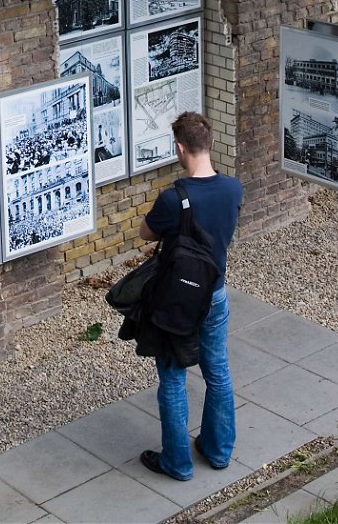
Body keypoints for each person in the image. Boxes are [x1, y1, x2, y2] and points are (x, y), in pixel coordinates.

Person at [138, 112, 243, 481]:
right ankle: (217, 451)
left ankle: (178, 462)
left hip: (178, 301)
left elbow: (145, 234)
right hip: (214, 295)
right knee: (218, 372)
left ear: (180, 148)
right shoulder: (234, 189)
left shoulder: (173, 199)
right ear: (209, 145)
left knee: (172, 377)